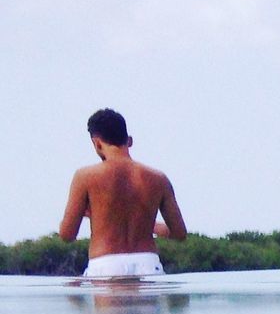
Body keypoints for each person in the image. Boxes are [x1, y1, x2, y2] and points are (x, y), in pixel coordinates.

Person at [58, 108, 187, 278]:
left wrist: (94, 215)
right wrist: (149, 223)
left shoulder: (85, 177)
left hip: (106, 265)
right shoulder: (158, 178)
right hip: (148, 264)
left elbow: (67, 235)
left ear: (97, 143)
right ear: (130, 140)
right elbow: (179, 234)